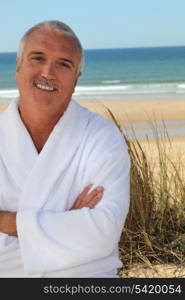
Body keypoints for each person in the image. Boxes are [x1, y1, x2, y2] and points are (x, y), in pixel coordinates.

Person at [0, 20, 130, 278]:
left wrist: (7, 222)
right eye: (38, 58)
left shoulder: (102, 138)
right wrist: (65, 225)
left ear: (76, 78)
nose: (48, 72)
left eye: (63, 64)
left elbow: (102, 233)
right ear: (18, 66)